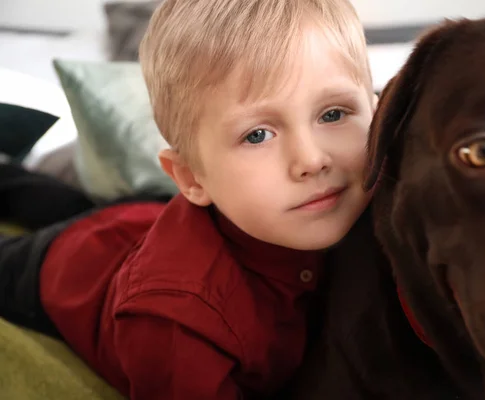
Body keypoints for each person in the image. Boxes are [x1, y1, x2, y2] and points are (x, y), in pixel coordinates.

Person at [0, 0, 377, 398]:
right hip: (74, 262)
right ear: (192, 177)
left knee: (57, 199)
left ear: (378, 110)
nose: (312, 160)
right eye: (257, 135)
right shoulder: (178, 324)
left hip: (144, 213)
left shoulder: (384, 193)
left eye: (334, 114)